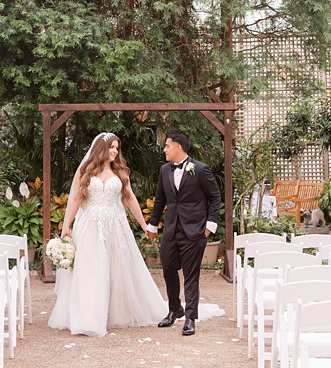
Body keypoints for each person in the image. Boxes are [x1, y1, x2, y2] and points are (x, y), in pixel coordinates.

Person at [48, 132, 166, 337]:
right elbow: (75, 199)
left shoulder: (120, 173)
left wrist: (145, 225)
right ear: (100, 149)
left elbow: (130, 200)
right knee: (90, 271)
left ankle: (116, 314)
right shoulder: (85, 171)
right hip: (89, 227)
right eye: (111, 147)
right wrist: (66, 225)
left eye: (116, 148)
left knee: (115, 269)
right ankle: (88, 317)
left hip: (115, 226)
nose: (114, 151)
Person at [146, 129, 221, 336]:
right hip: (171, 229)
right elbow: (160, 199)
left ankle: (190, 318)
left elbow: (215, 197)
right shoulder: (164, 170)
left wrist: (209, 226)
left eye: (167, 145)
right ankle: (174, 309)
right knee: (168, 268)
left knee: (191, 275)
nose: (164, 149)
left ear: (178, 147)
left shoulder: (200, 169)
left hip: (195, 230)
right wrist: (153, 226)